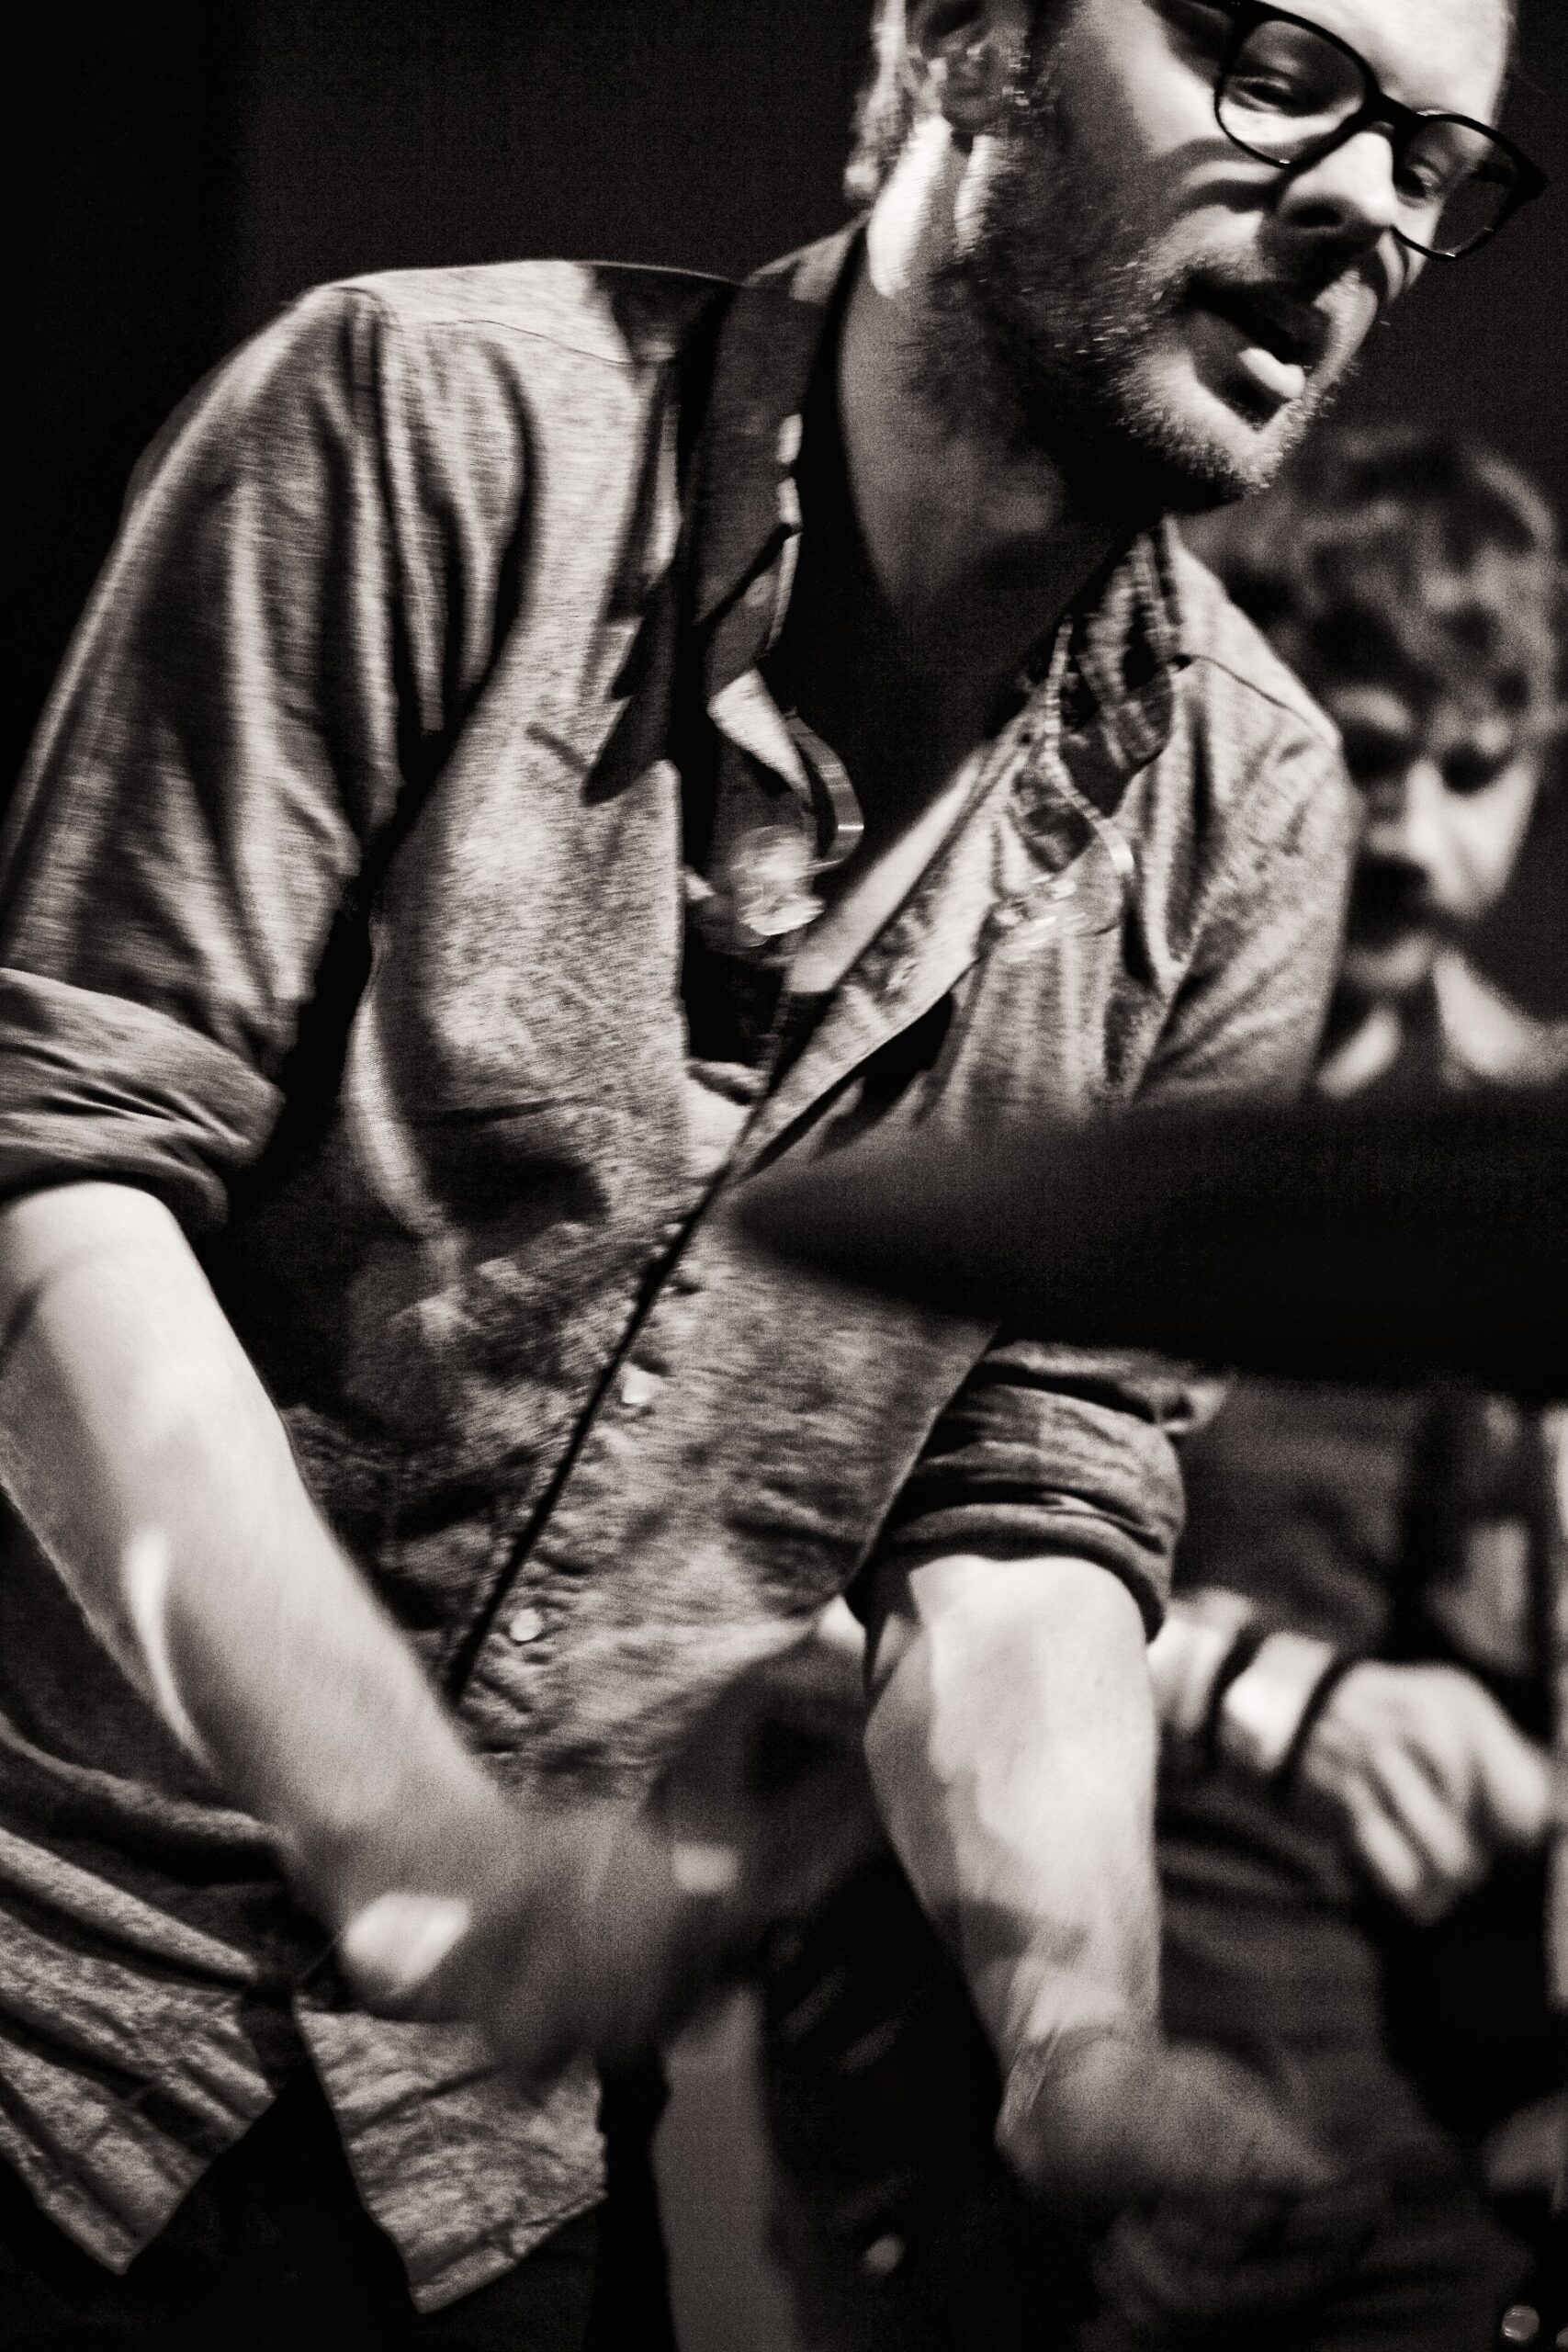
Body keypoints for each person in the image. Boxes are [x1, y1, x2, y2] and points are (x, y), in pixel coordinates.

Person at [0, 0, 1540, 2342]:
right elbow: (63, 1196)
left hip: (473, 2151)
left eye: (1431, 159)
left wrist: (1074, 2035)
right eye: (1271, 63)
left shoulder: (1247, 803)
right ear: (962, 37)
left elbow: (1030, 1513)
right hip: (43, 2006)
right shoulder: (418, 422)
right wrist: (404, 1830)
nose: (1358, 202)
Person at [1136, 428, 1568, 2351]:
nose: (1412, 838)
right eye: (1368, 753)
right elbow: (778, 1582)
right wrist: (1263, 1690)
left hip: (1391, 2107)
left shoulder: (1518, 1151)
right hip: (999, 2031)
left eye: (1476, 773)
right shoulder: (1067, 1078)